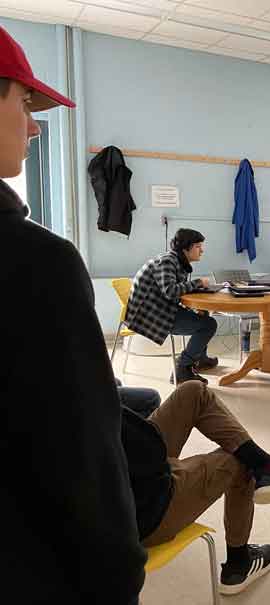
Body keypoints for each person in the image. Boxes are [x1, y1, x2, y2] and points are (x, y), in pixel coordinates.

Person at [0, 25, 146, 604]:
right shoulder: (37, 264)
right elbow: (82, 456)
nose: (35, 127)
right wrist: (120, 579)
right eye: (24, 103)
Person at [122, 381, 270, 595]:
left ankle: (266, 468)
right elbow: (147, 448)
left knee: (193, 392)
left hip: (127, 474)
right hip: (141, 511)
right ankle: (238, 564)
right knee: (240, 459)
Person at [126, 229, 218, 385]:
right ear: (185, 248)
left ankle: (199, 359)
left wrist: (196, 288)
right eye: (198, 246)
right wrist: (198, 283)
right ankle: (182, 368)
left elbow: (173, 290)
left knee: (204, 314)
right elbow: (170, 291)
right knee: (209, 325)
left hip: (159, 308)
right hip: (151, 316)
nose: (202, 250)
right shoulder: (167, 261)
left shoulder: (176, 261)